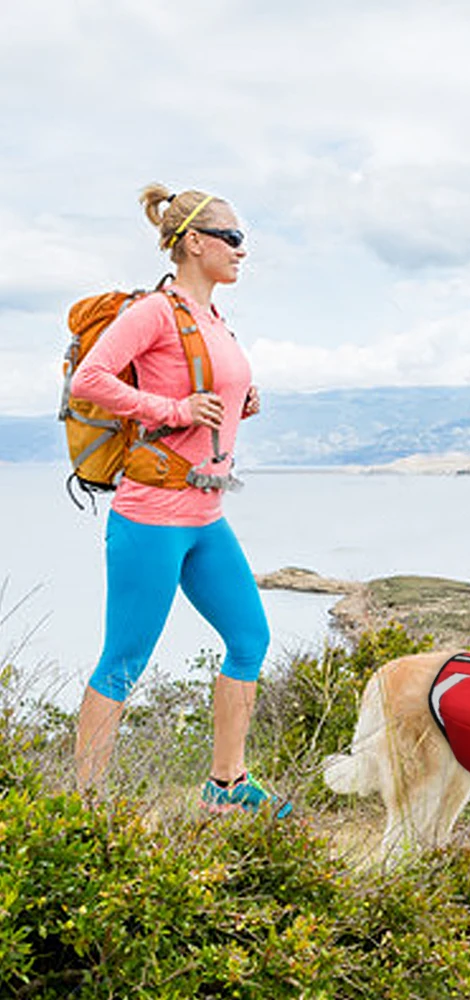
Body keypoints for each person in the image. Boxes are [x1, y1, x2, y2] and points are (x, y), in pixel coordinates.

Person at [70, 183, 290, 817]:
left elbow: (206, 392)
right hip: (151, 515)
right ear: (194, 242)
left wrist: (239, 402)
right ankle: (86, 807)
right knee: (124, 661)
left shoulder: (213, 318)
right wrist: (173, 408)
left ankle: (226, 786)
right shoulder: (153, 312)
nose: (243, 251)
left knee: (250, 637)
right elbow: (92, 379)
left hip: (206, 514)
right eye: (234, 238)